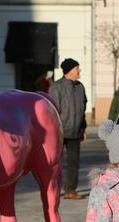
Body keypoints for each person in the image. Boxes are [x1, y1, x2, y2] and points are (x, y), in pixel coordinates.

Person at [49, 58, 88, 199]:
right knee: (55, 162)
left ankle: (70, 190)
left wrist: (83, 128)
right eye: (77, 68)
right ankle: (52, 189)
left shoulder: (80, 87)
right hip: (59, 132)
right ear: (69, 70)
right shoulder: (56, 87)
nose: (79, 71)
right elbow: (52, 111)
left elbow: (82, 109)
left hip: (76, 131)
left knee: (73, 162)